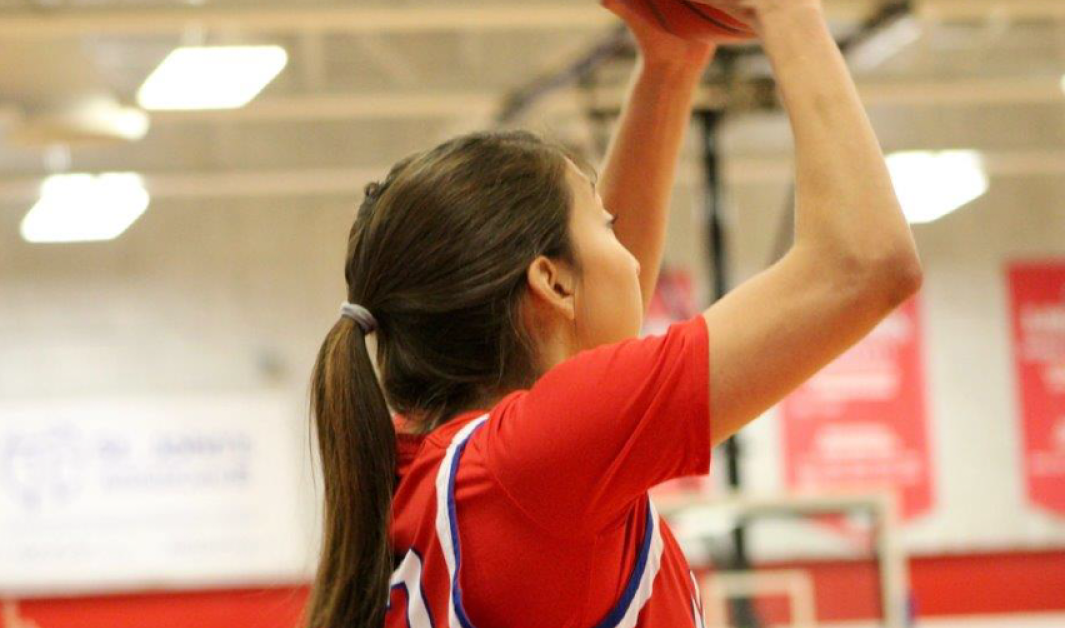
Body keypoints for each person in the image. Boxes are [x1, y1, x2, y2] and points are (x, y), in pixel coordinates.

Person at [305, 0, 922, 625]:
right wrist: (787, 14)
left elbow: (589, 334)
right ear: (551, 282)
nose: (627, 254)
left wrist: (670, 65)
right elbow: (864, 265)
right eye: (604, 224)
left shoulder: (429, 461)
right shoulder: (529, 464)